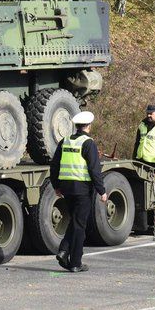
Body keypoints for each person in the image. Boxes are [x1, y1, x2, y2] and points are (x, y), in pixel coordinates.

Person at [49, 111, 106, 273]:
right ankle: (75, 262)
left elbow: (54, 166)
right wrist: (101, 190)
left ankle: (63, 250)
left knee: (75, 221)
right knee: (80, 225)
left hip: (66, 189)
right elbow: (95, 169)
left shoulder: (64, 141)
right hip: (82, 190)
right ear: (88, 126)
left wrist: (56, 186)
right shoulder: (88, 143)